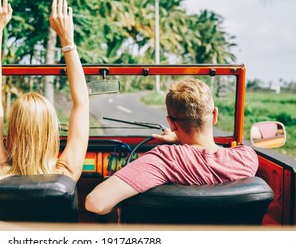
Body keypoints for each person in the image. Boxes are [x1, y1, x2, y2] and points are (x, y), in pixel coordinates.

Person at [0, 0, 89, 204]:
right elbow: (82, 103)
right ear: (51, 132)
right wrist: (67, 40)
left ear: (13, 130)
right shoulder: (66, 175)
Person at [85, 78, 259, 215]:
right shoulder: (246, 157)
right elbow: (209, 158)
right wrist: (179, 139)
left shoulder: (165, 159)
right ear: (214, 115)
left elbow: (96, 203)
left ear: (171, 123)